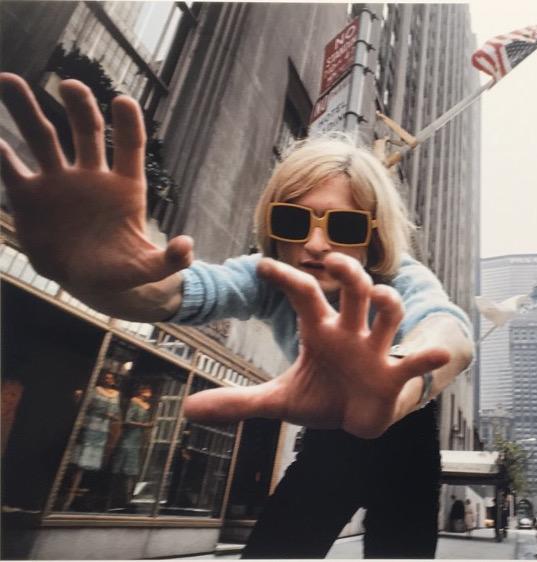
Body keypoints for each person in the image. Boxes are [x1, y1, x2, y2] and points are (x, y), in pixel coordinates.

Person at [0, 73, 474, 558]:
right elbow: (169, 295)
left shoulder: (399, 276)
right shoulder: (269, 275)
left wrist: (397, 380)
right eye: (293, 221)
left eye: (344, 226)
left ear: (373, 236)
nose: (314, 244)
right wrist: (94, 277)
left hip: (407, 432)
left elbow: (448, 331)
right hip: (328, 424)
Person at [64, 371, 121, 511]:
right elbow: (85, 405)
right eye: (105, 377)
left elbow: (116, 414)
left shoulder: (115, 395)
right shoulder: (95, 390)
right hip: (90, 425)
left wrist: (112, 417)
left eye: (110, 378)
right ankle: (69, 496)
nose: (107, 380)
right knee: (80, 460)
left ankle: (76, 496)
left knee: (88, 464)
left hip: (102, 430)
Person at [110, 384, 154, 507]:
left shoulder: (146, 406)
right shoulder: (134, 402)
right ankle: (115, 496)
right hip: (129, 436)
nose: (149, 394)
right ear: (141, 391)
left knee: (131, 468)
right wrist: (144, 425)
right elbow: (128, 420)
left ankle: (127, 498)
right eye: (147, 391)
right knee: (121, 464)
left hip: (137, 438)